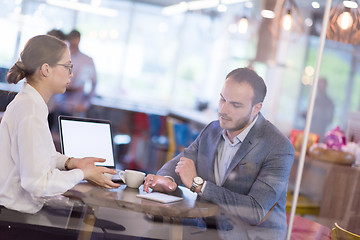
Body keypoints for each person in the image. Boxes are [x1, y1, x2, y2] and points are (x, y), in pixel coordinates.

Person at [143, 68, 295, 233]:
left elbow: (255, 211)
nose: (224, 110)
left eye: (235, 105)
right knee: (154, 232)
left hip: (247, 236)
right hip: (208, 227)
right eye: (222, 99)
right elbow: (182, 161)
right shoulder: (213, 130)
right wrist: (167, 179)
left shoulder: (278, 147)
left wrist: (198, 185)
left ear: (256, 108)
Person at [0, 35, 119, 214]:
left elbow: (38, 155)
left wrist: (72, 162)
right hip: (13, 216)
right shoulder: (30, 111)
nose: (71, 74)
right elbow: (37, 183)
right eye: (68, 67)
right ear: (46, 69)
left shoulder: (31, 103)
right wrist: (83, 173)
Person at [53, 29, 97, 118]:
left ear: (79, 40)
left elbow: (94, 84)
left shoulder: (87, 60)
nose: (73, 42)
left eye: (75, 39)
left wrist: (85, 104)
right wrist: (55, 100)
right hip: (59, 105)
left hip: (77, 107)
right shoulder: (61, 57)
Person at [310, 77, 335, 141]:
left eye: (321, 85)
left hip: (321, 134)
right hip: (310, 132)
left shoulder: (329, 102)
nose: (319, 86)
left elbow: (330, 119)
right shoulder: (314, 99)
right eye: (318, 84)